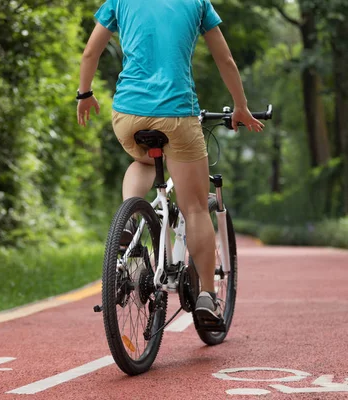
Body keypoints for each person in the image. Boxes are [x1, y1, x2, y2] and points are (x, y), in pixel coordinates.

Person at [76, 0, 263, 327]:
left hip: (128, 115)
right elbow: (225, 58)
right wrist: (240, 107)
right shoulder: (198, 2)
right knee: (194, 208)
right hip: (177, 113)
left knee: (143, 160)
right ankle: (207, 295)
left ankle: (130, 217)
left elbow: (90, 53)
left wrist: (84, 94)